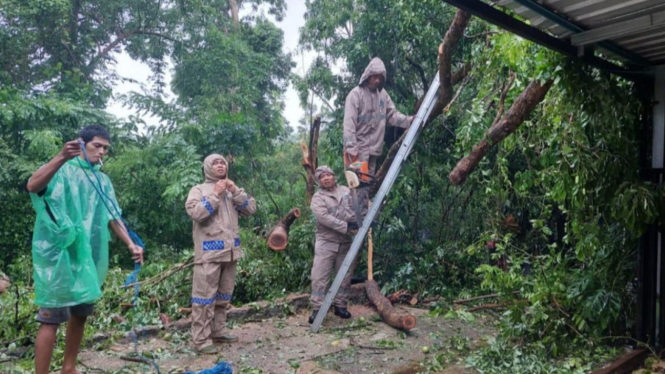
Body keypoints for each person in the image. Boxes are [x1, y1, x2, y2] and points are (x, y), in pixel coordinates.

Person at [26, 124, 144, 374]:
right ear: (81, 143)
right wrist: (60, 157)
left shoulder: (101, 180)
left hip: (87, 259)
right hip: (58, 258)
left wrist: (131, 243)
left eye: (105, 148)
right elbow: (33, 186)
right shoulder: (62, 170)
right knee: (51, 318)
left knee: (80, 313)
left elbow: (113, 216)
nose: (101, 152)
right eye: (97, 146)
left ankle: (69, 367)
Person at [185, 154, 256, 354]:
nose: (220, 165)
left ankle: (218, 331)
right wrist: (215, 194)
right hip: (209, 255)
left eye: (222, 162)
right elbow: (196, 213)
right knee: (203, 299)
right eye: (215, 163)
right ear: (207, 167)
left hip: (231, 253)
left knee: (223, 297)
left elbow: (250, 209)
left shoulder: (232, 190)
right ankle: (201, 340)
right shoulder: (198, 190)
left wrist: (235, 191)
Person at [343, 57, 414, 217]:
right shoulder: (355, 94)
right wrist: (351, 149)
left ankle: (362, 215)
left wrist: (410, 121)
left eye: (380, 78)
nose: (376, 80)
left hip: (374, 148)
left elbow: (392, 116)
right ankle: (354, 217)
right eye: (374, 76)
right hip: (358, 149)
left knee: (367, 184)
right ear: (368, 75)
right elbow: (349, 124)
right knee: (357, 183)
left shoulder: (383, 96)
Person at [309, 166, 359, 324]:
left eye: (328, 174)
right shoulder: (318, 198)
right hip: (326, 242)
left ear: (334, 176)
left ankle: (340, 305)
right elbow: (324, 218)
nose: (326, 178)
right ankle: (317, 309)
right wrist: (346, 227)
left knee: (344, 276)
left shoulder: (346, 190)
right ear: (319, 181)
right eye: (322, 176)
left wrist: (360, 221)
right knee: (319, 276)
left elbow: (358, 206)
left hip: (345, 242)